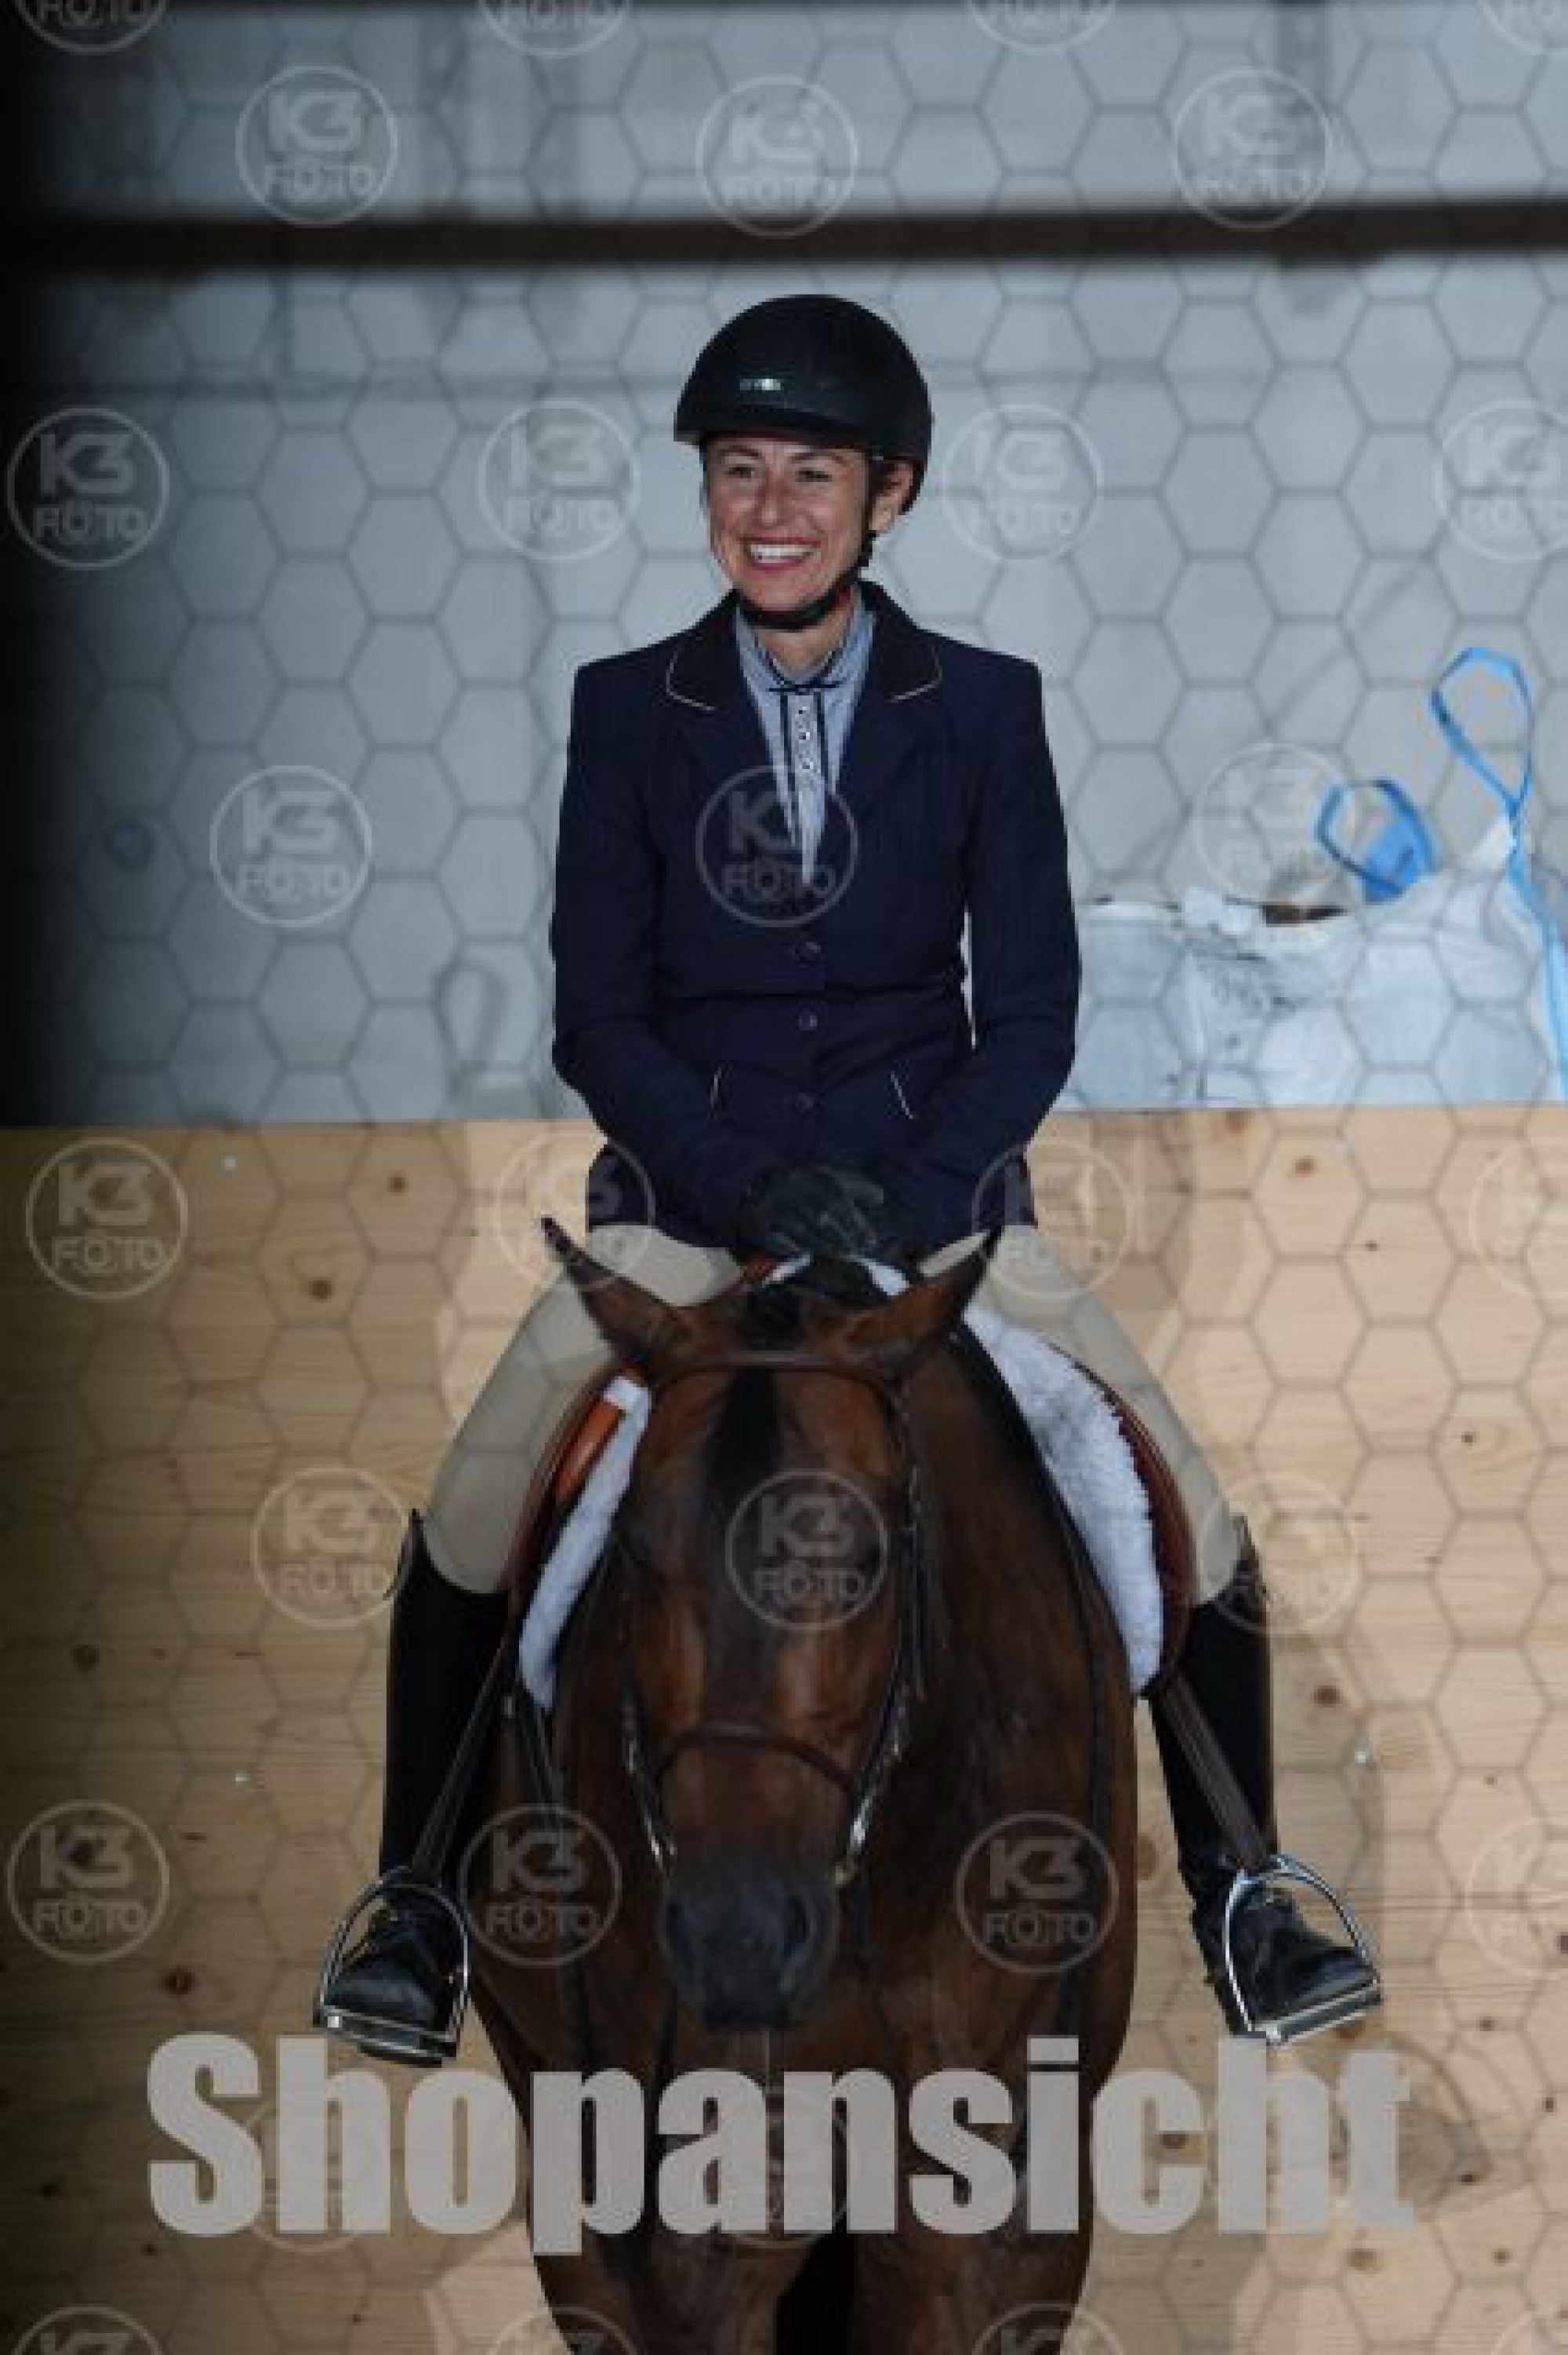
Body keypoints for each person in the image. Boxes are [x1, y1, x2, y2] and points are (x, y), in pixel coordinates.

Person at [314, 293, 1379, 2067]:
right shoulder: (626, 709)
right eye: (739, 470)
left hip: (936, 1213)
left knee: (1173, 1495)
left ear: (889, 493)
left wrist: (905, 1191)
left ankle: (1244, 1887)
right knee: (475, 1505)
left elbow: (1029, 1009)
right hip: (685, 1215)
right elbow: (599, 1014)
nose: (771, 507)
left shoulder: (982, 708)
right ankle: (414, 1903)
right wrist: (748, 1185)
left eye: (811, 472)